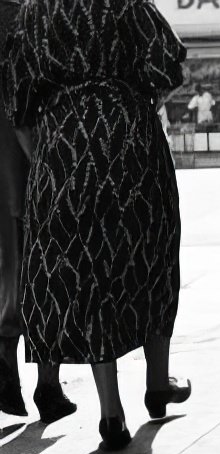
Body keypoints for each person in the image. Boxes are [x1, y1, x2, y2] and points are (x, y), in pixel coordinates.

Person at [2, 0, 192, 451]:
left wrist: (50, 161)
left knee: (88, 271)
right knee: (151, 255)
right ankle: (157, 384)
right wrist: (132, 103)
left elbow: (20, 109)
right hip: (129, 134)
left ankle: (111, 412)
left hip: (60, 146)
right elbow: (168, 67)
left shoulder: (33, 15)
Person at [0, 0, 73, 423]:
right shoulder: (34, 15)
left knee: (11, 264)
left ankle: (10, 370)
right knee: (48, 268)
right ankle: (47, 383)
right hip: (31, 156)